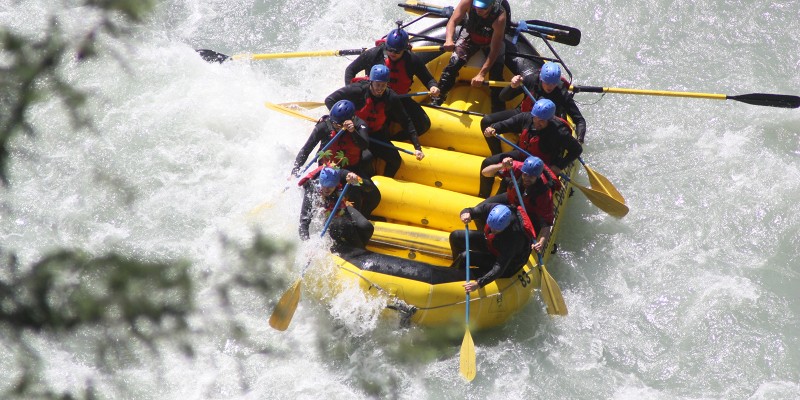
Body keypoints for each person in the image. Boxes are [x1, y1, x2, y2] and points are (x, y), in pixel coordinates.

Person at [326, 64, 425, 178]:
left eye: (384, 85)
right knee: (366, 158)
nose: (380, 89)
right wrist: (341, 119)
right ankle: (367, 180)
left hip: (376, 134)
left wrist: (417, 147)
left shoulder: (391, 97)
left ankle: (385, 182)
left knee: (395, 160)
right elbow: (329, 100)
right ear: (371, 82)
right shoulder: (358, 90)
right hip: (354, 132)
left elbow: (406, 121)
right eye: (377, 84)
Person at [344, 28, 441, 136]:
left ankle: (396, 140)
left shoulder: (412, 60)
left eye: (397, 51)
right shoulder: (375, 53)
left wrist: (433, 87)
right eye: (390, 49)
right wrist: (351, 92)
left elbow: (429, 79)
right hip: (374, 99)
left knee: (423, 124)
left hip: (398, 100)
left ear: (404, 49)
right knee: (376, 130)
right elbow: (350, 70)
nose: (392, 53)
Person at [478, 98, 582, 198]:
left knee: (508, 181)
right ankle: (484, 195)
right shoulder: (526, 118)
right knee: (487, 163)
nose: (537, 122)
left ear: (549, 120)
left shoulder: (559, 132)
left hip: (541, 165)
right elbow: (506, 124)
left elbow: (577, 149)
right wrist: (493, 128)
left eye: (542, 120)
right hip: (522, 154)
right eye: (536, 118)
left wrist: (559, 166)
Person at [434, 0, 510, 113]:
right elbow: (453, 21)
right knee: (453, 63)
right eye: (477, 7)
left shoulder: (500, 17)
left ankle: (498, 110)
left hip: (490, 41)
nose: (478, 10)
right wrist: (449, 39)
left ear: (491, 6)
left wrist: (482, 74)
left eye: (483, 8)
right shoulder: (468, 2)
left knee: (496, 73)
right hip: (470, 36)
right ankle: (438, 97)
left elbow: (494, 50)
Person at [488, 62, 587, 143]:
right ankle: (496, 153)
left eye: (553, 84)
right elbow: (503, 97)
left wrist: (579, 139)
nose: (550, 87)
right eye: (547, 82)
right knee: (487, 121)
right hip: (523, 115)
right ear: (541, 78)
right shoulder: (531, 80)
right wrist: (512, 86)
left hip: (544, 124)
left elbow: (579, 120)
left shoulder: (561, 93)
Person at [478, 156, 561, 252]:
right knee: (480, 210)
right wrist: (501, 165)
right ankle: (486, 237)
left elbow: (546, 224)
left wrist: (541, 242)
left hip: (528, 213)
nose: (527, 178)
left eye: (531, 177)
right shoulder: (516, 168)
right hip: (512, 199)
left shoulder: (544, 194)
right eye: (525, 175)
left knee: (515, 234)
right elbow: (485, 173)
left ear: (538, 177)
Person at [449, 203, 533, 293]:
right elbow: (473, 211)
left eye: (495, 229)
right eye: (491, 227)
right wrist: (466, 213)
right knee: (456, 236)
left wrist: (479, 283)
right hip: (493, 244)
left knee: (464, 257)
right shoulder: (494, 209)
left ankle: (460, 279)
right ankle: (453, 271)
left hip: (507, 264)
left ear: (506, 225)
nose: (492, 231)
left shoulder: (513, 238)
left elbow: (499, 268)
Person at [298, 166, 375, 250]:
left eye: (331, 186)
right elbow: (303, 222)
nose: (327, 189)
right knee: (344, 225)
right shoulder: (312, 189)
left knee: (367, 227)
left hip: (341, 207)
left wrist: (358, 180)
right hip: (325, 215)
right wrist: (307, 244)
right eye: (325, 186)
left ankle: (360, 249)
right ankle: (354, 248)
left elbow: (369, 187)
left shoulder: (342, 175)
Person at [291, 99, 370, 177]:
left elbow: (364, 146)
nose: (335, 126)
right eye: (334, 123)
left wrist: (353, 131)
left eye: (338, 125)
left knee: (370, 185)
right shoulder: (324, 126)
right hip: (326, 169)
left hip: (350, 171)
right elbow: (306, 150)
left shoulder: (360, 125)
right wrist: (294, 172)